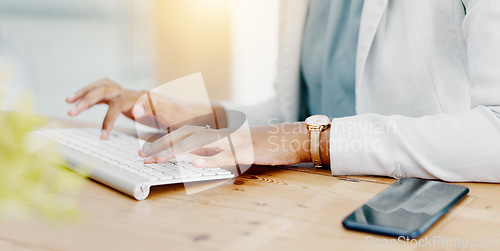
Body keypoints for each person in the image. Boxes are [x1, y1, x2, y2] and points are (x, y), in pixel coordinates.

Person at [66, 0, 500, 182]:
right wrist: (206, 116)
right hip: (313, 206)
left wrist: (310, 140)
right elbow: (300, 110)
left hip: (414, 219)